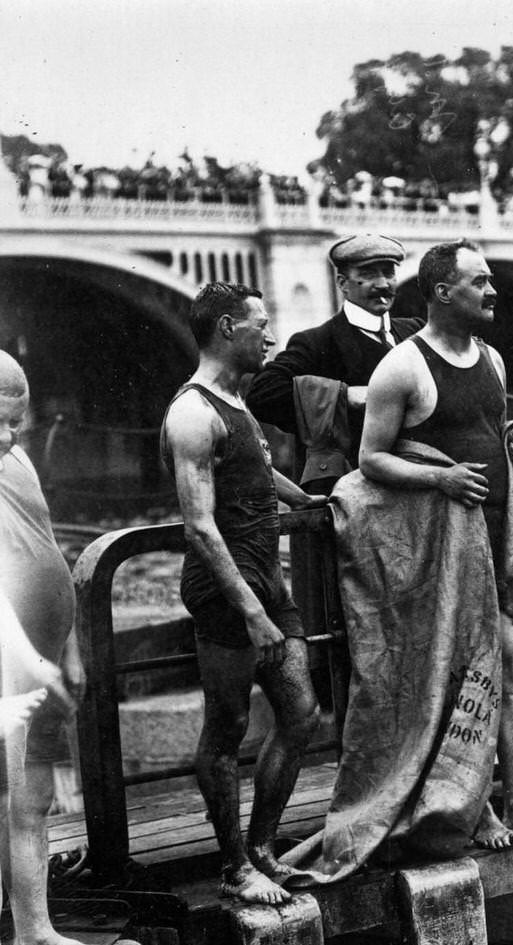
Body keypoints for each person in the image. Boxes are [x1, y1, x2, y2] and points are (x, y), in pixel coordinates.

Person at [357, 239, 513, 842]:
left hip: (500, 538)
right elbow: (371, 459)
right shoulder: (402, 367)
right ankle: (476, 808)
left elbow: (487, 428)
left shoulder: (492, 358)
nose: (493, 290)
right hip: (446, 546)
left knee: (510, 666)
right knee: (467, 673)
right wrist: (440, 477)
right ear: (443, 292)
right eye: (479, 282)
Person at [161, 284, 325, 903]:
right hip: (227, 593)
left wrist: (305, 500)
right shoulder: (193, 412)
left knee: (302, 713)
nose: (273, 338)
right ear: (229, 328)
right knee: (227, 726)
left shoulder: (236, 402)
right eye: (263, 325)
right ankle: (234, 865)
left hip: (266, 582)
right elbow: (199, 525)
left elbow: (254, 465)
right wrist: (252, 612)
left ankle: (262, 847)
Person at [0, 350, 85, 945]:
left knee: (32, 801)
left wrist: (69, 648)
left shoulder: (18, 460)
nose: (9, 435)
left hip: (42, 660)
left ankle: (35, 929)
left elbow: (49, 544)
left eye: (17, 421)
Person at [247, 233, 418, 482]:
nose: (383, 284)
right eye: (369, 274)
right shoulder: (316, 342)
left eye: (389, 273)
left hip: (418, 486)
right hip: (354, 491)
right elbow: (262, 394)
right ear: (342, 283)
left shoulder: (414, 332)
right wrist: (345, 396)